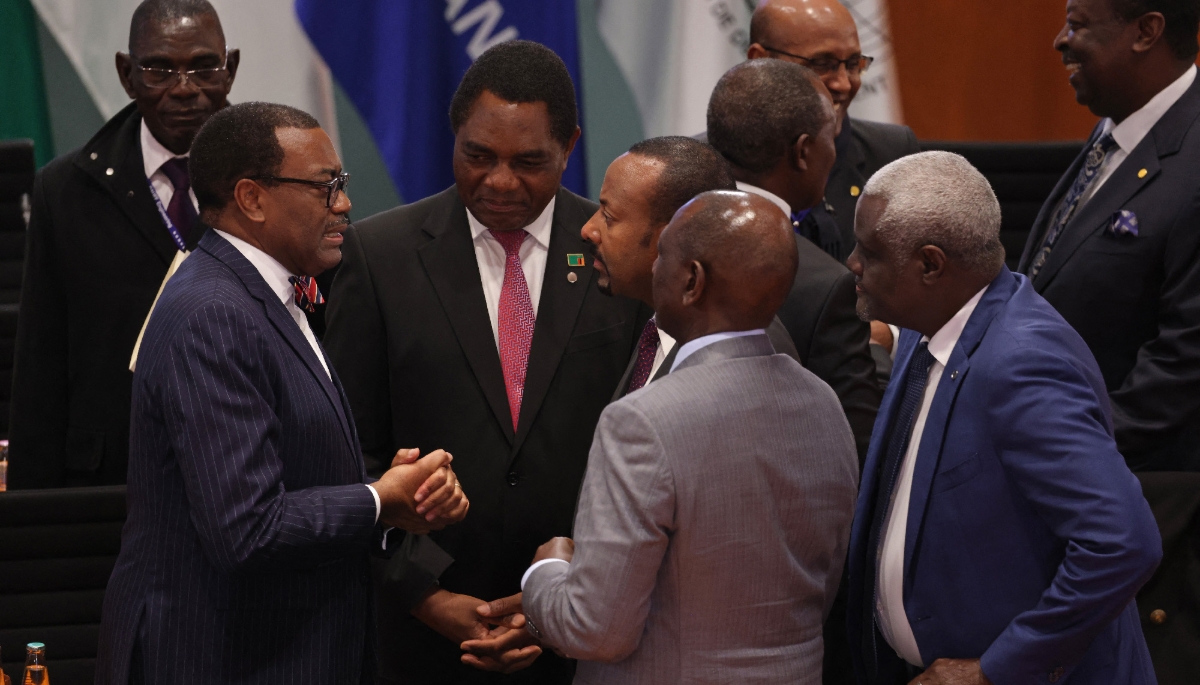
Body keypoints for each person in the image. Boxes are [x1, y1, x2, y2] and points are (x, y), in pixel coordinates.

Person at [94, 102, 470, 684]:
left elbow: (293, 471)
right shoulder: (214, 313)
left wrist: (391, 495)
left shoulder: (264, 294)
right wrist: (376, 500)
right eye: (327, 187)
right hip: (222, 658)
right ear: (252, 198)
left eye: (341, 185)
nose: (344, 204)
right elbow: (246, 530)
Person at [324, 41, 648, 684]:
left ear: (570, 146)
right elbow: (343, 454)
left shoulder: (623, 257)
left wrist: (566, 594)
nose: (500, 182)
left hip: (587, 628)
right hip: (422, 636)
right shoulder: (378, 256)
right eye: (478, 156)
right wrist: (423, 594)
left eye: (529, 162)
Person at [519, 190, 859, 684]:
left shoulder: (642, 421)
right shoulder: (824, 403)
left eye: (663, 258)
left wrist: (544, 575)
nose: (654, 269)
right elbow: (821, 585)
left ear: (692, 280)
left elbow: (596, 630)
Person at [846, 151, 1161, 685]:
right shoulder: (930, 329)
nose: (852, 263)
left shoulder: (1021, 362)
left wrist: (998, 668)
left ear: (929, 264)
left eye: (870, 252)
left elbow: (1122, 543)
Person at [8, 0, 238, 488]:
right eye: (159, 69)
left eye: (203, 67)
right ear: (127, 75)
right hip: (114, 481)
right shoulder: (66, 191)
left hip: (246, 468)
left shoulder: (277, 177)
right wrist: (32, 524)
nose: (183, 89)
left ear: (230, 70)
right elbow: (40, 368)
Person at [1016, 0, 1200, 472]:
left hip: (1136, 493)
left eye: (1077, 25)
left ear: (1146, 32)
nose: (1059, 40)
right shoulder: (1117, 131)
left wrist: (1062, 450)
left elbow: (1184, 362)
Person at [707, 58, 880, 465]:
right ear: (803, 151)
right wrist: (882, 351)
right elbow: (858, 448)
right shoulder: (823, 286)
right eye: (831, 137)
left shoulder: (658, 231)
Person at [587, 136, 801, 401]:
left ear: (671, 237)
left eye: (608, 218)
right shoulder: (664, 324)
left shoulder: (743, 356)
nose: (588, 230)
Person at [747, 0, 921, 260]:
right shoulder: (708, 166)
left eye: (852, 64)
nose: (843, 84)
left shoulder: (893, 156)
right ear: (760, 61)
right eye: (821, 63)